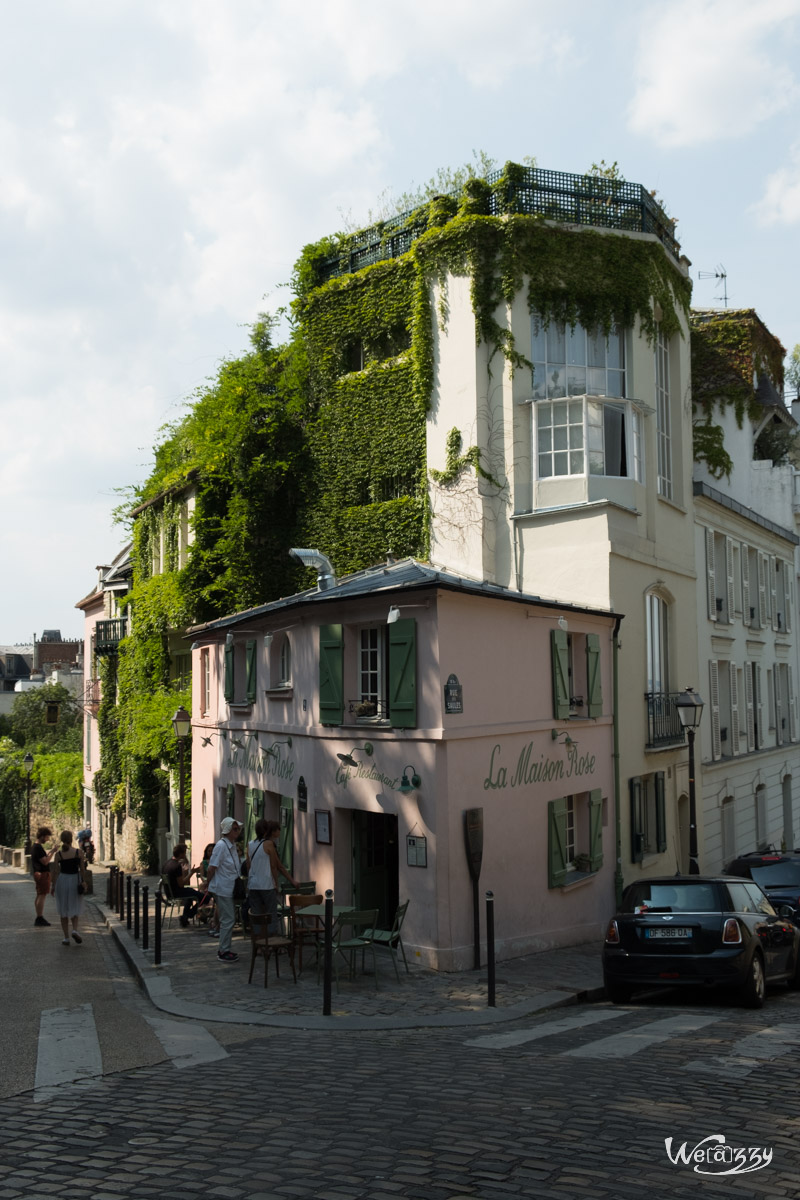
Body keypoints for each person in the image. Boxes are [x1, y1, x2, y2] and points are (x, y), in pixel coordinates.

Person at [247, 818, 297, 935]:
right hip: (266, 884)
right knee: (271, 914)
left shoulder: (250, 844)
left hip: (253, 885)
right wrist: (276, 883)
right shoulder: (269, 844)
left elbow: (249, 865)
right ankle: (271, 941)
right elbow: (274, 866)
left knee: (257, 914)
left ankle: (258, 942)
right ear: (266, 831)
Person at [206, 817, 244, 962]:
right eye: (235, 829)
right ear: (227, 830)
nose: (238, 831)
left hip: (229, 887)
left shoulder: (231, 845)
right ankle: (223, 950)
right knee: (228, 919)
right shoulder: (221, 846)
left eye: (238, 828)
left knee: (228, 919)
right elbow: (211, 868)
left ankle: (225, 949)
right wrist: (208, 885)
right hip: (223, 888)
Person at [51, 830, 88, 945]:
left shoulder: (58, 855)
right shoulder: (79, 852)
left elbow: (56, 871)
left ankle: (66, 938)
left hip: (62, 881)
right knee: (75, 906)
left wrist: (53, 885)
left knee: (63, 909)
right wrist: (84, 882)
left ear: (62, 840)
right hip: (74, 880)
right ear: (71, 839)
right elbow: (82, 869)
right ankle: (75, 930)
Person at [162, 843, 202, 927]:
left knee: (190, 898)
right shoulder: (176, 866)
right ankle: (187, 916)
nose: (185, 854)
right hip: (176, 892)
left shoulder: (166, 863)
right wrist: (191, 873)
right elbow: (182, 884)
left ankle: (184, 918)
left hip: (169, 892)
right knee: (202, 897)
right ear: (180, 854)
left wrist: (184, 872)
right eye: (184, 852)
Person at [31, 826, 55, 927]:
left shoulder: (35, 847)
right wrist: (53, 852)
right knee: (42, 895)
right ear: (42, 836)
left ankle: (39, 916)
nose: (47, 839)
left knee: (39, 895)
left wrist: (51, 851)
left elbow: (43, 857)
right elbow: (45, 861)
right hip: (42, 874)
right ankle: (39, 917)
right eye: (47, 837)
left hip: (38, 873)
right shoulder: (38, 848)